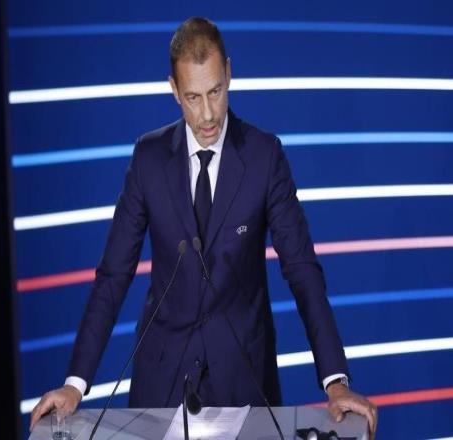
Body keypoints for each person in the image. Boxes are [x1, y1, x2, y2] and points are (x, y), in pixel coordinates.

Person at [30, 17, 377, 437]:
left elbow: (302, 269)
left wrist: (335, 381)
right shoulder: (148, 159)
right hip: (161, 382)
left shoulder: (265, 157)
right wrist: (75, 383)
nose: (208, 113)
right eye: (193, 98)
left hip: (244, 381)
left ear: (228, 73)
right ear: (174, 90)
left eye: (215, 91)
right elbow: (113, 275)